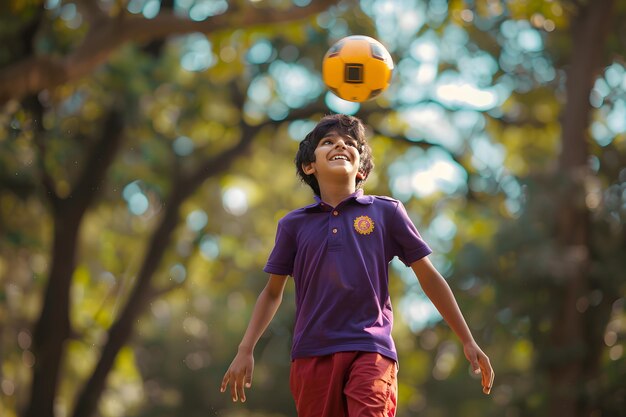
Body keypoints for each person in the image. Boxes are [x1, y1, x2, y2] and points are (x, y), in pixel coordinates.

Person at [220, 114, 494, 416]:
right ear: (309, 166)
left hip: (371, 348)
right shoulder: (293, 225)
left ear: (361, 168)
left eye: (350, 143)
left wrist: (467, 339)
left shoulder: (387, 212)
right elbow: (272, 293)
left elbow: (428, 277)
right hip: (311, 355)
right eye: (328, 142)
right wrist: (245, 349)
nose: (340, 144)